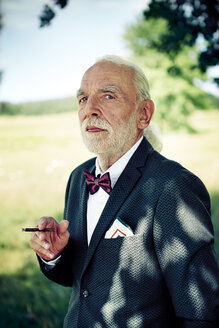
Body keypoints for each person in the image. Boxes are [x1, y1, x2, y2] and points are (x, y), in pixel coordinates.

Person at [30, 55, 219, 328]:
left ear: (144, 114)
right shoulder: (77, 179)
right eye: (83, 99)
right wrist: (54, 255)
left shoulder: (173, 186)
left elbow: (200, 309)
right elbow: (82, 282)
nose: (90, 109)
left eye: (107, 96)